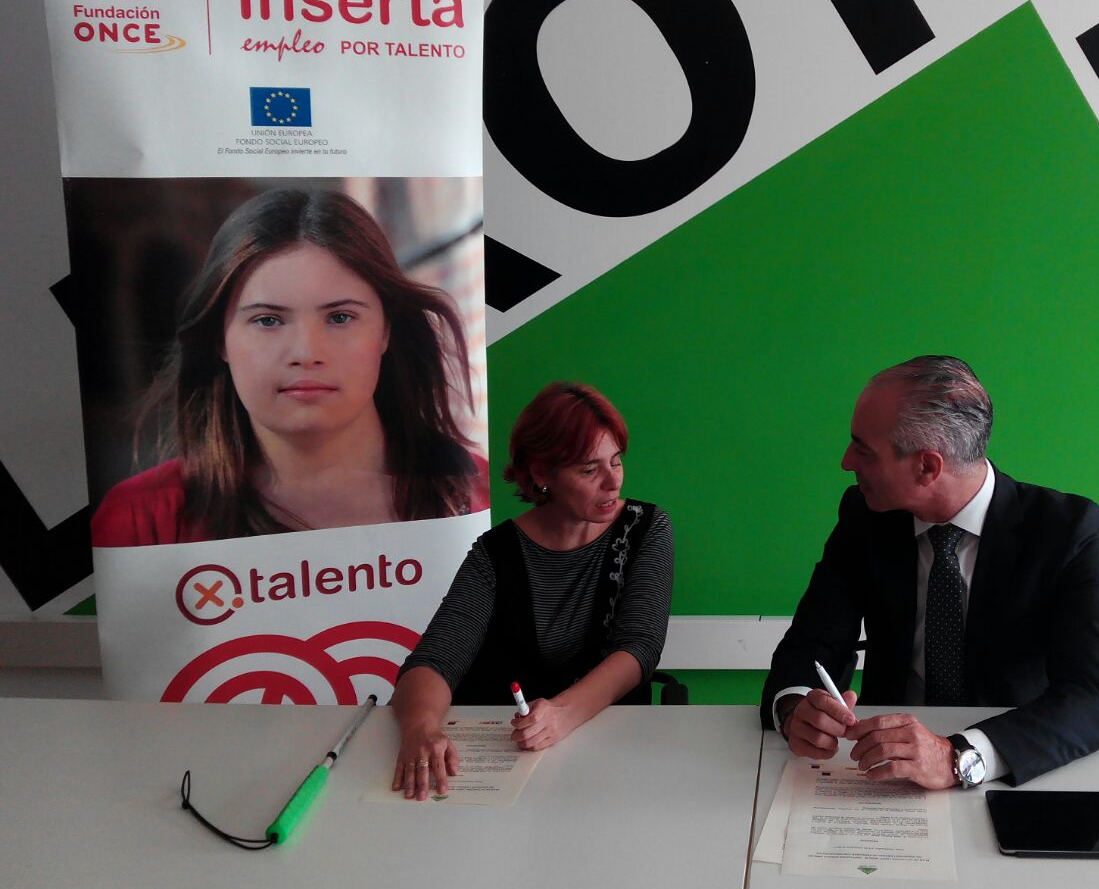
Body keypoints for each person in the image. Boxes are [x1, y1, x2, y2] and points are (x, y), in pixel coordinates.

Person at [762, 356, 1099, 789]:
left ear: (927, 467)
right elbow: (811, 644)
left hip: (1020, 770)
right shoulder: (865, 517)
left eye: (863, 450)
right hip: (884, 772)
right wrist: (795, 707)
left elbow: (1091, 699)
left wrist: (957, 756)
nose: (845, 461)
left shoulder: (1066, 531)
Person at [89, 187, 487, 546]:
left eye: (340, 317)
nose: (306, 352)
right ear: (220, 339)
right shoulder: (139, 522)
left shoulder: (482, 499)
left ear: (386, 331)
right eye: (268, 320)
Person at [391, 382, 674, 799]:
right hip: (506, 761)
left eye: (616, 461)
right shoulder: (496, 552)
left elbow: (639, 646)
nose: (612, 482)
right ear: (541, 474)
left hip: (607, 759)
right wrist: (422, 727)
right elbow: (434, 659)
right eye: (589, 470)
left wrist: (561, 714)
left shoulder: (646, 528)